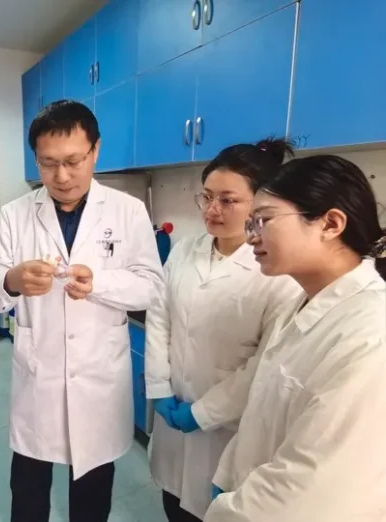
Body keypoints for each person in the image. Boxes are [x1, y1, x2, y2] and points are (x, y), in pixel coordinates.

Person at [0, 100, 165, 522]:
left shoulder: (127, 210)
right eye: (48, 164)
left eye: (73, 161)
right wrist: (12, 281)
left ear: (95, 150)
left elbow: (151, 287)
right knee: (28, 491)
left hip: (98, 378)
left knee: (92, 495)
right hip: (38, 380)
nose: (61, 176)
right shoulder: (15, 215)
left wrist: (100, 283)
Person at [206, 156, 386, 522]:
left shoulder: (370, 335)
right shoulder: (305, 303)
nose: (251, 236)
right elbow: (261, 410)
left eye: (264, 220)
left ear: (330, 224)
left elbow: (310, 486)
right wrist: (229, 477)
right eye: (251, 222)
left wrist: (224, 511)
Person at [145, 139, 301, 521]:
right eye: (207, 196)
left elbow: (265, 363)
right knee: (172, 502)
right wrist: (159, 387)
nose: (212, 209)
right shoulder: (184, 250)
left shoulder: (279, 273)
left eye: (228, 200)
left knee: (213, 510)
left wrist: (203, 413)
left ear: (260, 204)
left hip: (228, 428)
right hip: (173, 413)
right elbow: (159, 316)